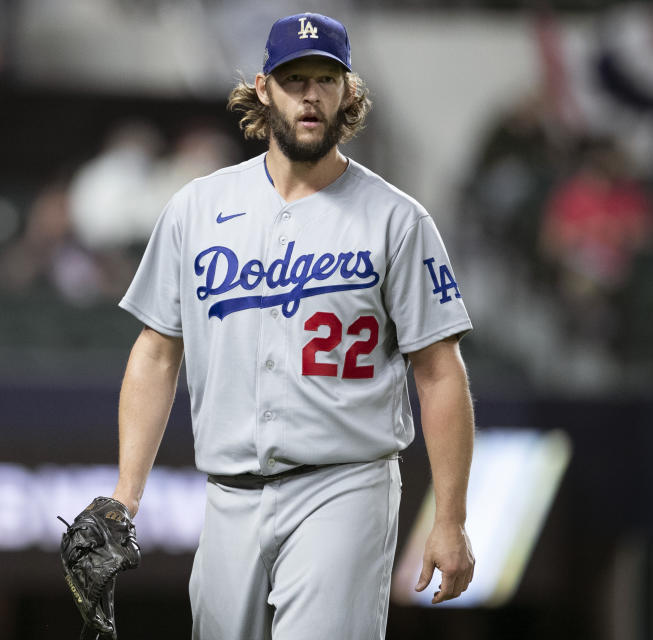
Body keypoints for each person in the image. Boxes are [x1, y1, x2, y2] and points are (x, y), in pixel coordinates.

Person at [111, 12, 475, 639]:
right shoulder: (197, 208)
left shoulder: (398, 220)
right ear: (263, 88)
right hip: (229, 494)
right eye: (294, 78)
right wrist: (125, 496)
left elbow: (440, 372)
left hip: (346, 485)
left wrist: (450, 518)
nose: (310, 94)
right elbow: (155, 352)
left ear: (348, 94)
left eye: (326, 79)